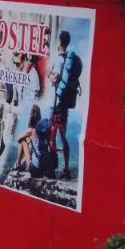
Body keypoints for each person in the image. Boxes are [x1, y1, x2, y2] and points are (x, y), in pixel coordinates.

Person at [48, 29, 83, 179]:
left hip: (56, 104)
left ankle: (51, 169)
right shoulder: (69, 60)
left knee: (51, 135)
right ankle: (67, 169)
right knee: (63, 136)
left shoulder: (59, 60)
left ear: (59, 42)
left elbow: (55, 79)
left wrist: (50, 75)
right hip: (65, 104)